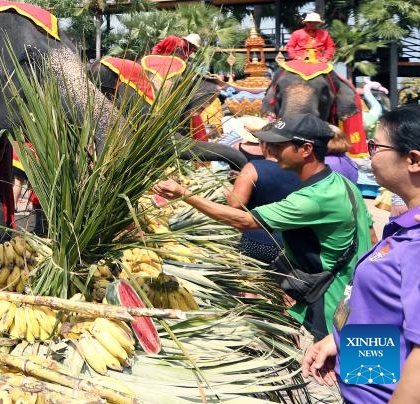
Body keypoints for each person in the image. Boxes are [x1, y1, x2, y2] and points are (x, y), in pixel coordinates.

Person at [154, 112, 373, 339]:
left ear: (306, 149)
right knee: (374, 369)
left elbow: (244, 220)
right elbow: (372, 237)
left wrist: (183, 194)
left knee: (350, 370)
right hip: (361, 298)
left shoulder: (314, 198)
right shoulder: (343, 184)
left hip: (333, 306)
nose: (272, 150)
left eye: (280, 145)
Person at [303, 105, 420, 403]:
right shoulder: (403, 225)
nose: (369, 154)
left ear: (413, 160)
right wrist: (341, 341)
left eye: (375, 146)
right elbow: (391, 312)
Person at [226, 142, 301, 263]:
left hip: (257, 241)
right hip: (292, 244)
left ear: (264, 146)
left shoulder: (253, 167)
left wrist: (229, 194)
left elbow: (236, 203)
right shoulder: (299, 168)